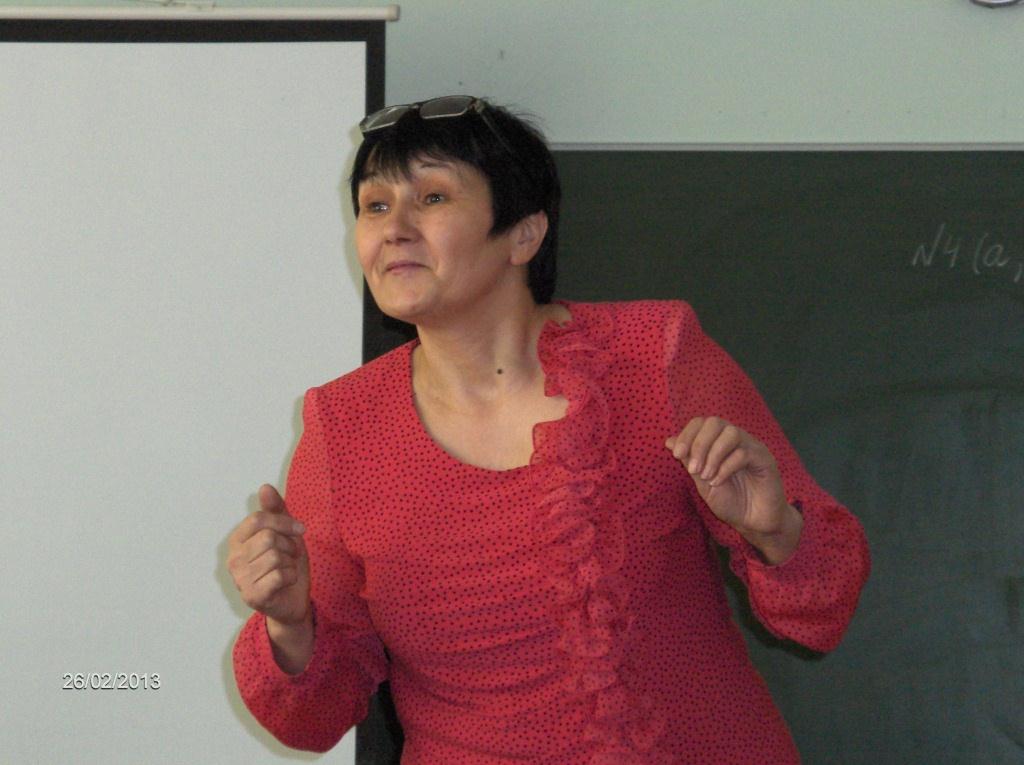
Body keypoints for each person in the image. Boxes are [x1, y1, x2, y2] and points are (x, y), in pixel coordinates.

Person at [227, 95, 870, 764]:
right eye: (375, 206)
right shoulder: (343, 428)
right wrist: (290, 623)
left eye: (433, 198)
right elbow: (312, 721)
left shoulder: (656, 355)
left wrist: (776, 531)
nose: (394, 229)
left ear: (524, 234)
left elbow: (825, 607)